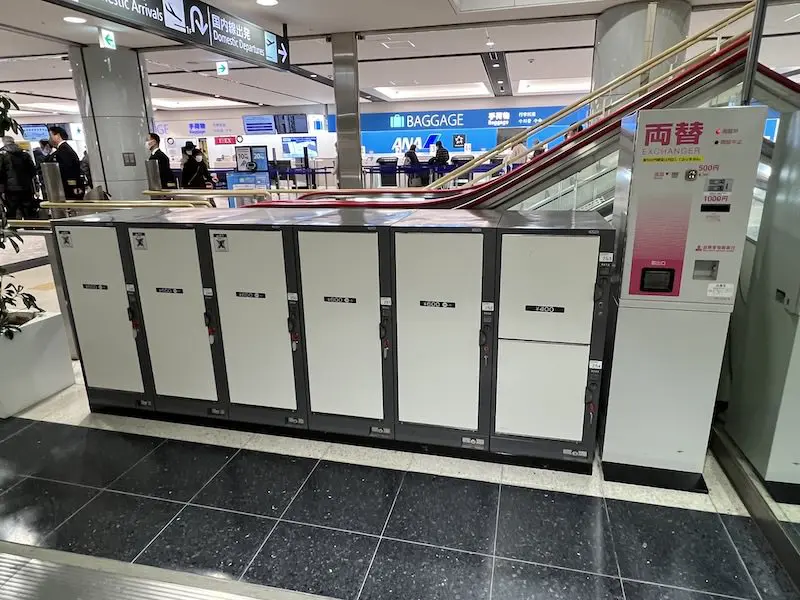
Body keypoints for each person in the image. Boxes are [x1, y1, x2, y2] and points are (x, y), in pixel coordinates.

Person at [0, 136, 37, 219]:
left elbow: (1, 173)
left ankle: (13, 230)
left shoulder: (2, 155)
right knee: (28, 211)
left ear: (4, 142)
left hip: (10, 189)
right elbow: (33, 171)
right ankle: (32, 229)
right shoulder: (24, 154)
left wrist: (1, 189)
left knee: (11, 212)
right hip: (26, 187)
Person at [46, 126, 85, 200]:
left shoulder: (63, 150)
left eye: (50, 136)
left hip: (69, 188)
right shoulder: (64, 149)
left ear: (57, 136)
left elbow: (66, 170)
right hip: (71, 186)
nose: (49, 139)